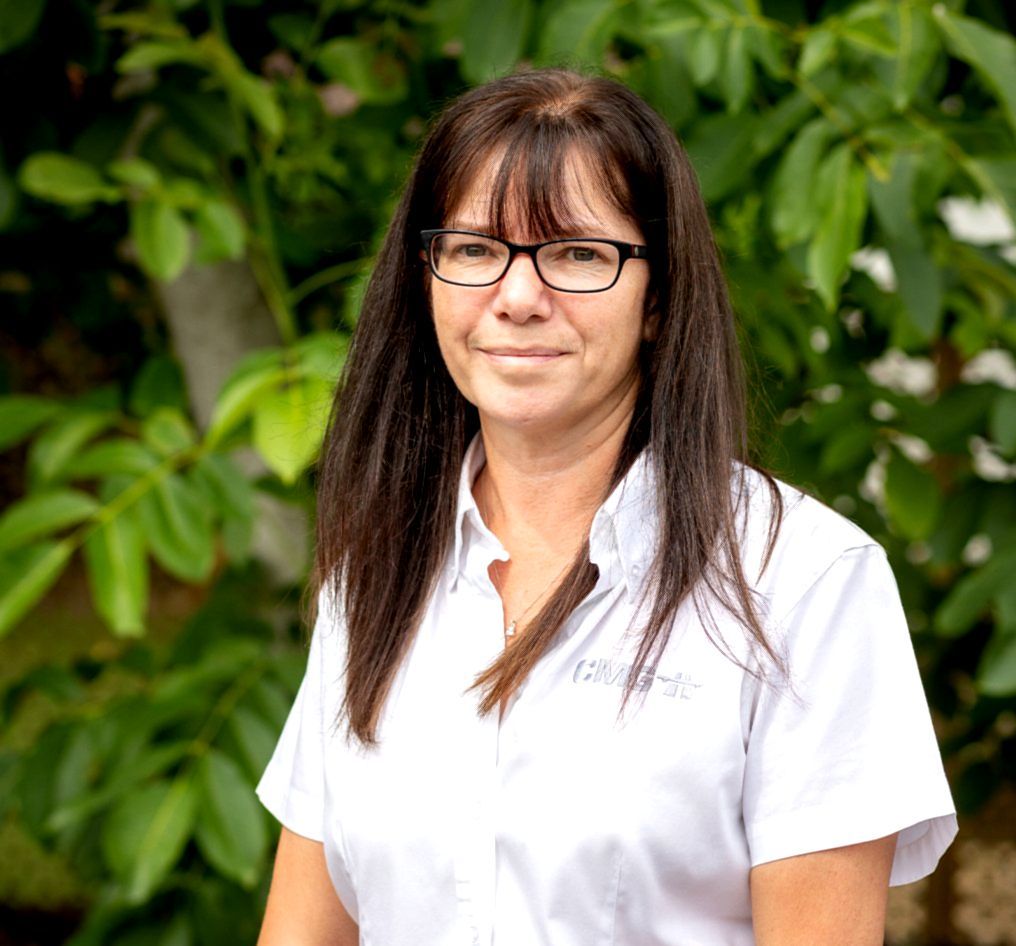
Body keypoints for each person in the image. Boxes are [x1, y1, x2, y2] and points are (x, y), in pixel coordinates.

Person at [255, 69, 956, 946]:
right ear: (423, 276)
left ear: (658, 297)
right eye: (474, 248)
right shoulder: (379, 572)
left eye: (578, 254)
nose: (516, 297)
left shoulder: (803, 582)